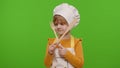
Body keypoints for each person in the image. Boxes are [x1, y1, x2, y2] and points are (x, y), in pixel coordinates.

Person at [44, 3, 84, 68]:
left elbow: (80, 65)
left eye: (62, 24)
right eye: (56, 24)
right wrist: (50, 53)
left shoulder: (77, 42)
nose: (58, 26)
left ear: (70, 25)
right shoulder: (51, 42)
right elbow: (47, 64)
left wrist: (67, 54)